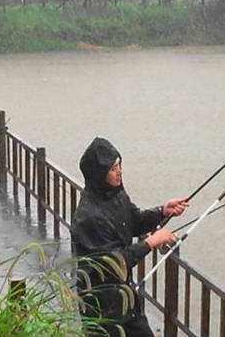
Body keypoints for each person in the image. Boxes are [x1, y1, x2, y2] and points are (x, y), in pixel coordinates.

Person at [71, 137, 189, 337]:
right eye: (113, 169)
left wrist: (163, 211)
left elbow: (134, 221)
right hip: (101, 306)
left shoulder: (116, 194)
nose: (119, 172)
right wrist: (151, 242)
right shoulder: (88, 216)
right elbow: (113, 262)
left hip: (126, 300)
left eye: (119, 165)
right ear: (99, 174)